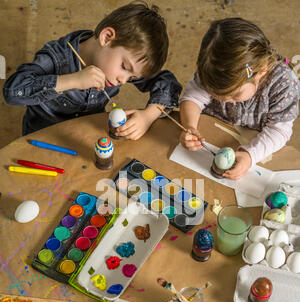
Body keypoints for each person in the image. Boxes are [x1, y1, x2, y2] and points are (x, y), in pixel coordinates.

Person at [3, 1, 182, 139]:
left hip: (86, 140)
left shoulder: (119, 68)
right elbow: (12, 92)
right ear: (107, 37)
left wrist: (148, 116)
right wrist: (72, 81)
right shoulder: (56, 57)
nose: (124, 80)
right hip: (42, 142)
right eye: (125, 68)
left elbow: (168, 84)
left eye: (132, 76)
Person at [179, 18, 300, 180]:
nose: (225, 100)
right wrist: (189, 125)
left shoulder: (283, 84)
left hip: (256, 139)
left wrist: (250, 156)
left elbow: (279, 130)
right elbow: (193, 96)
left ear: (260, 72)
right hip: (213, 128)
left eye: (234, 95)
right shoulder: (213, 68)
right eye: (215, 95)